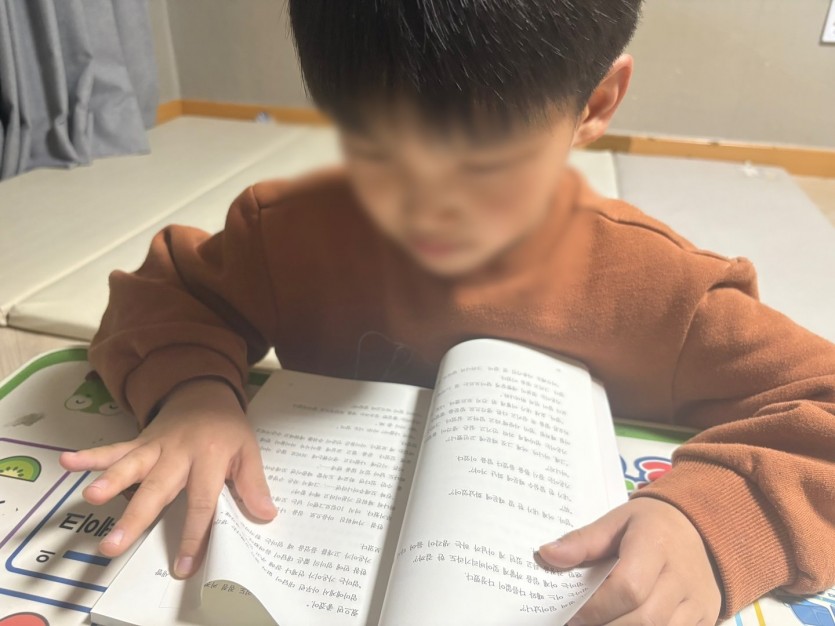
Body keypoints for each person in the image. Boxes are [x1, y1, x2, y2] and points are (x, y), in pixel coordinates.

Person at [59, 1, 835, 624]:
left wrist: (708, 524)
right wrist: (194, 395)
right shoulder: (288, 231)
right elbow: (168, 291)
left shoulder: (661, 289)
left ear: (595, 102)